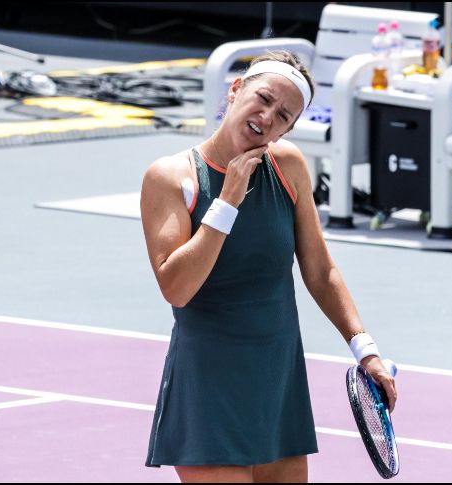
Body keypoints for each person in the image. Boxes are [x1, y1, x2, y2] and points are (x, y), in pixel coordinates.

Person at [140, 50, 397, 483]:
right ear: (235, 89)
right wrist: (227, 202)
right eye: (262, 98)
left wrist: (364, 348)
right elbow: (177, 287)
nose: (267, 117)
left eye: (283, 116)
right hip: (209, 389)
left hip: (278, 385)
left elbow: (320, 269)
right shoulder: (170, 177)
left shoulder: (288, 166)